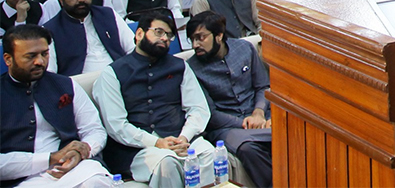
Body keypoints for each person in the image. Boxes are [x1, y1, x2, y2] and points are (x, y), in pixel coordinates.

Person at [93, 10, 214, 187]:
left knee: (209, 153)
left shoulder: (179, 66)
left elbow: (198, 108)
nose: (165, 38)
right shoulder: (112, 73)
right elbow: (116, 125)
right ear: (139, 33)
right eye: (159, 32)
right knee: (166, 162)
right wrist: (156, 142)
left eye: (169, 35)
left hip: (180, 139)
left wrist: (184, 137)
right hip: (138, 148)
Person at [1, 25, 113, 188]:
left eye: (44, 54)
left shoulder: (65, 85)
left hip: (71, 169)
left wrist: (80, 151)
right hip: (23, 180)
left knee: (97, 180)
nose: (40, 62)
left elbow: (94, 130)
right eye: (30, 56)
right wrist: (50, 158)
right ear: (8, 59)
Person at [186, 12, 273, 188]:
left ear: (218, 36)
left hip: (258, 114)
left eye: (201, 38)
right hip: (226, 127)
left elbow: (262, 86)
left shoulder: (245, 49)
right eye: (192, 39)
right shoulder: (191, 68)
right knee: (248, 149)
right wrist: (245, 123)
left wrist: (258, 113)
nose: (196, 45)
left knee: (294, 131)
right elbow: (209, 113)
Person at [45, 0, 136, 75]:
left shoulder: (108, 14)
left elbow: (133, 47)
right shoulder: (50, 29)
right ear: (61, 0)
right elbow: (50, 72)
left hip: (118, 74)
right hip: (79, 84)